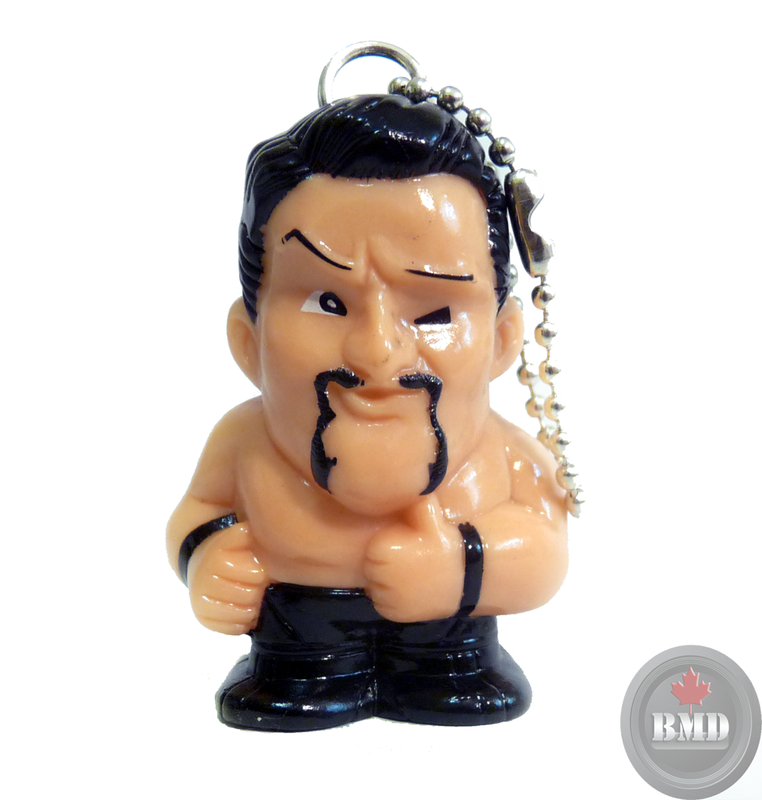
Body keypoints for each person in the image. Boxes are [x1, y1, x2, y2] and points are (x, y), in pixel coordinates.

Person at [167, 94, 568, 731]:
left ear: (502, 339)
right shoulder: (242, 442)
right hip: (298, 636)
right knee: (295, 680)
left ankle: (442, 676)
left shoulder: (506, 454)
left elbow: (544, 551)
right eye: (328, 303)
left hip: (450, 640)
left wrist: (459, 571)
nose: (378, 350)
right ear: (249, 340)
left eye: (434, 312)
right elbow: (196, 515)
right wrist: (207, 560)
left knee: (452, 676)